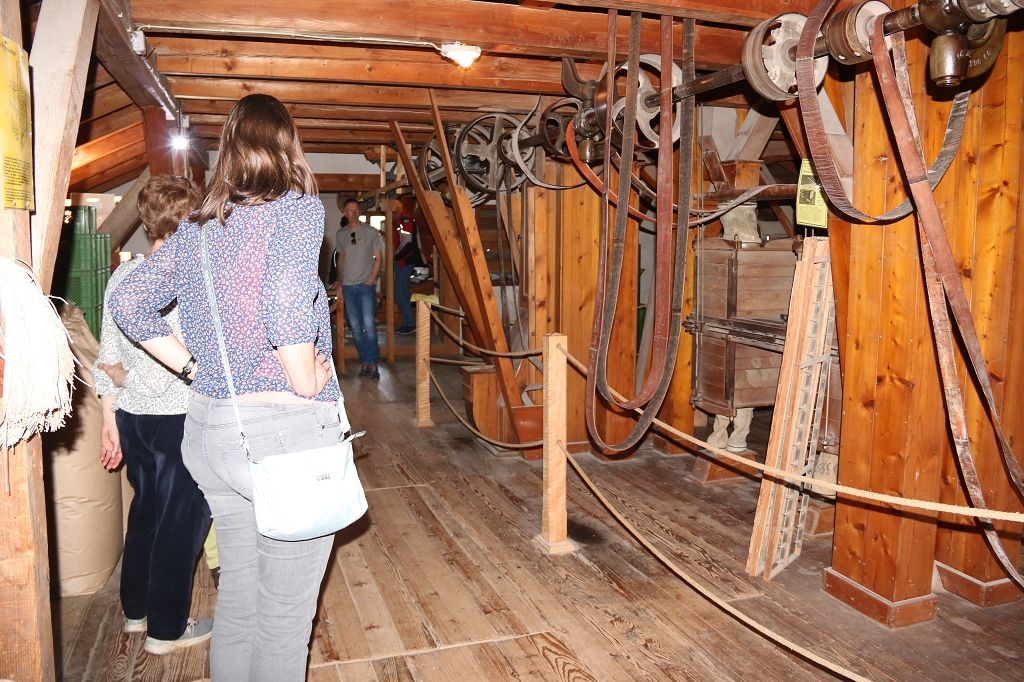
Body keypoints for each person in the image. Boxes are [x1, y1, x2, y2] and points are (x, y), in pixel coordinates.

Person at [109, 93, 341, 682]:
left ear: (229, 151)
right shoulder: (295, 211)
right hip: (281, 433)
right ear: (287, 146)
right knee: (284, 615)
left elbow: (127, 301)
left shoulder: (195, 231)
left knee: (239, 596)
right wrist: (305, 376)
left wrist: (193, 369)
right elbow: (285, 304)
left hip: (210, 428)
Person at [94, 174, 212, 655]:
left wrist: (109, 421)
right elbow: (191, 360)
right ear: (190, 220)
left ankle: (136, 611)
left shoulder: (122, 277)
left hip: (132, 421)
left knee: (145, 513)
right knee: (180, 523)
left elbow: (106, 360)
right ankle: (166, 629)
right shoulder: (186, 279)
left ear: (146, 223)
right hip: (178, 420)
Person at [331, 198, 383, 378]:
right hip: (348, 286)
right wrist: (339, 278)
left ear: (360, 212)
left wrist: (371, 279)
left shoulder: (371, 232)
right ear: (345, 214)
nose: (353, 213)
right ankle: (365, 361)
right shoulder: (341, 234)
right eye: (350, 210)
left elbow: (379, 258)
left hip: (365, 286)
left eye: (356, 210)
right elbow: (341, 257)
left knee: (369, 325)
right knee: (355, 327)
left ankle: (373, 362)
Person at [392, 200, 421, 335]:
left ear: (397, 210)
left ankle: (410, 323)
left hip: (406, 261)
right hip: (403, 262)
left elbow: (407, 243)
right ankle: (407, 323)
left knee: (399, 293)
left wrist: (396, 257)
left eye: (391, 211)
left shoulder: (405, 221)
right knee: (402, 293)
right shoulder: (400, 222)